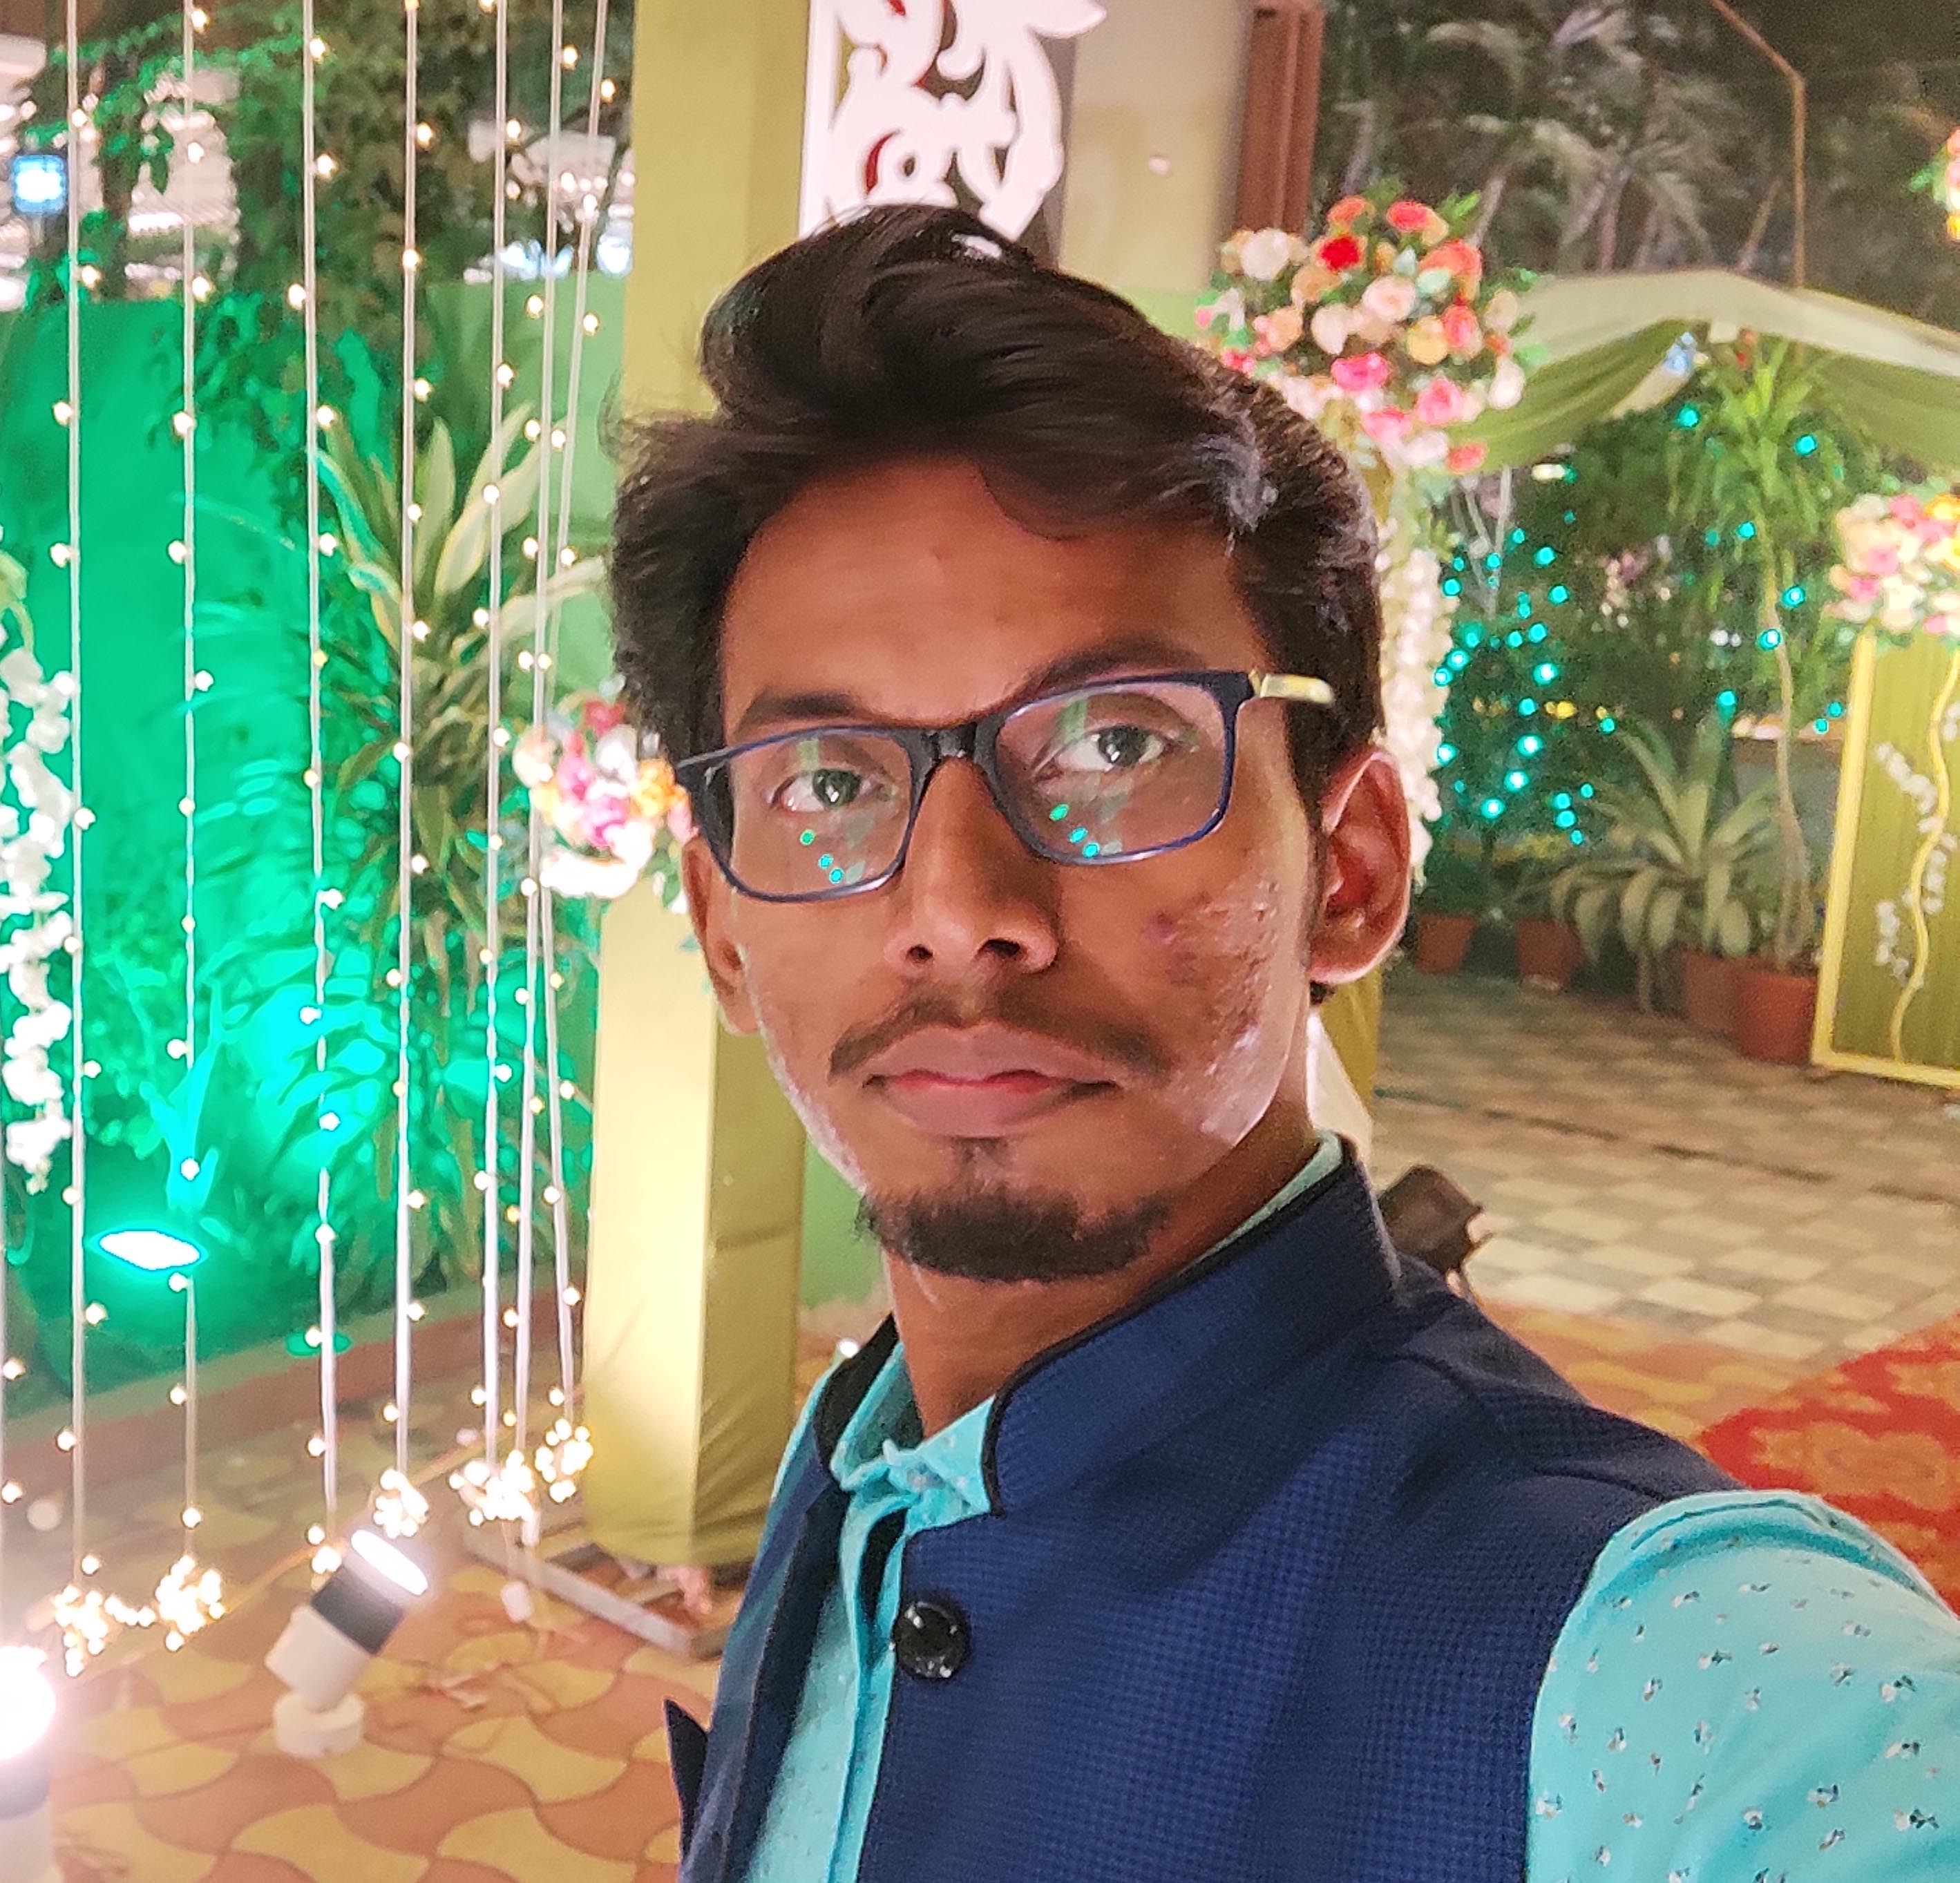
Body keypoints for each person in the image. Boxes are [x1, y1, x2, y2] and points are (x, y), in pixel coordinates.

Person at [609, 205, 1959, 1883]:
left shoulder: (1649, 1660)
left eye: (1115, 746)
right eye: (828, 780)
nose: (956, 908)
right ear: (725, 930)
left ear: (1352, 869)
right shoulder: (862, 1458)